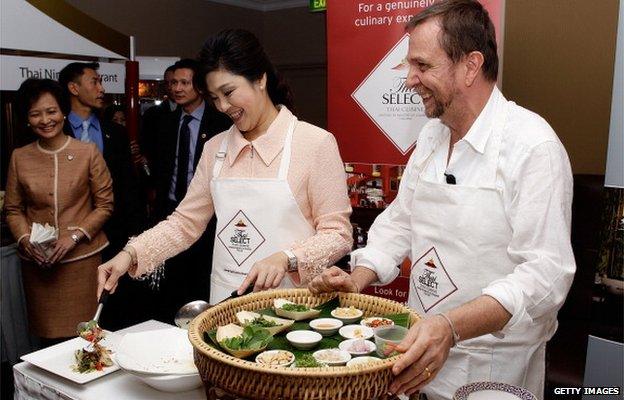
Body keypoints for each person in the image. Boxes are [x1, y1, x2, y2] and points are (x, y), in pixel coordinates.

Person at [308, 1, 575, 399]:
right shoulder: (433, 137)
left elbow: (545, 275)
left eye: (423, 66)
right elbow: (400, 222)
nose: (409, 80)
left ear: (470, 65)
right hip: (420, 349)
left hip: (493, 364)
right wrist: (357, 278)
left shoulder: (532, 146)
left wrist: (451, 326)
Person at [97, 28, 353, 307]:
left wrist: (287, 258)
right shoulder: (215, 148)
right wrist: (130, 254)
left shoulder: (314, 143)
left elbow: (337, 234)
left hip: (295, 307)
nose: (222, 106)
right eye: (214, 97)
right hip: (227, 301)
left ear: (260, 78)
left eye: (228, 92)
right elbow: (184, 223)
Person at [4, 78, 113, 342]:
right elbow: (13, 209)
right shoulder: (20, 156)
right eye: (35, 114)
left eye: (51, 111)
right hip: (38, 266)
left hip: (82, 262)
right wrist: (24, 239)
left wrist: (73, 237)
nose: (45, 120)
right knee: (45, 341)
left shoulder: (88, 152)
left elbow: (105, 205)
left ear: (63, 112)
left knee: (85, 338)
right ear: (27, 119)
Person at [135, 58, 231, 322]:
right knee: (171, 281)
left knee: (200, 279)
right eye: (173, 82)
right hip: (169, 210)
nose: (177, 88)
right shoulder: (160, 120)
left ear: (199, 87)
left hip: (209, 217)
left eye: (184, 83)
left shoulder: (221, 122)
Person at [59, 62, 147, 330]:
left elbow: (129, 188)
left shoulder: (116, 133)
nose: (101, 88)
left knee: (114, 305)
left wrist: (137, 234)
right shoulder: (58, 132)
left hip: (114, 233)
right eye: (94, 82)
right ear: (74, 88)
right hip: (71, 237)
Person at [140, 65, 178, 166]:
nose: (170, 87)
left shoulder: (190, 112)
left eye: (173, 82)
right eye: (166, 83)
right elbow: (146, 146)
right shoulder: (152, 114)